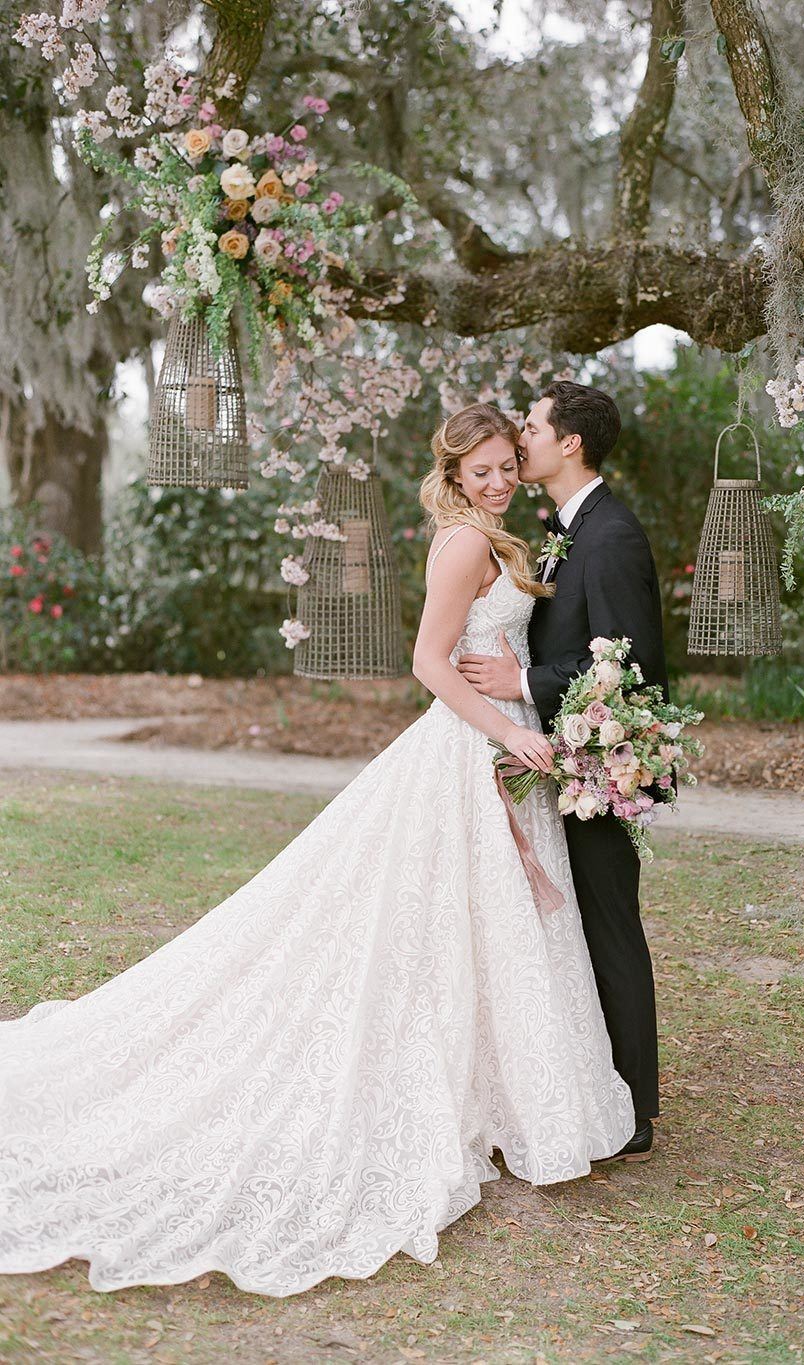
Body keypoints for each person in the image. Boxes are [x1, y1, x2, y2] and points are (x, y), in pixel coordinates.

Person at [0, 403, 634, 1299]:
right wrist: (508, 733)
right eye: (481, 470)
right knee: (452, 917)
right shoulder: (462, 545)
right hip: (476, 744)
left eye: (504, 465)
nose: (497, 480)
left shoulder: (501, 536)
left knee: (492, 923)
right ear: (453, 477)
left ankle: (505, 1093)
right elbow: (428, 660)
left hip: (507, 735)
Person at [457, 382, 669, 1160]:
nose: (522, 439)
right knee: (573, 925)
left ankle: (635, 1107)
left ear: (568, 441)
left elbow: (629, 660)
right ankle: (595, 1083)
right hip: (560, 760)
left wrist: (522, 684)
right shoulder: (562, 529)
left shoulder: (609, 535)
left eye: (533, 426)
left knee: (609, 921)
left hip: (599, 763)